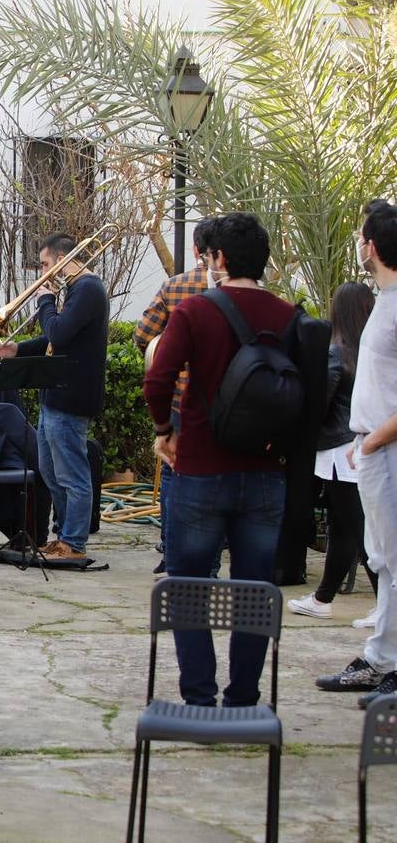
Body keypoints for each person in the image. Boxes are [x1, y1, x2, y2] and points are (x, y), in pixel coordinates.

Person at [144, 211, 296, 708]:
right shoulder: (288, 315)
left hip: (201, 467)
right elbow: (309, 395)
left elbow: (157, 378)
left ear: (220, 258)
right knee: (254, 590)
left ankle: (198, 694)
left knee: (189, 584)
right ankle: (245, 697)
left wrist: (165, 432)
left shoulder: (197, 311)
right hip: (266, 471)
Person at [316, 201, 397, 706]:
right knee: (383, 560)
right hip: (370, 447)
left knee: (393, 558)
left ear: (373, 244)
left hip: (384, 448)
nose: (358, 243)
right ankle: (381, 658)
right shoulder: (382, 300)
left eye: (361, 235)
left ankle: (389, 664)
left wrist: (372, 439)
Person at [0, 232, 109, 560]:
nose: (44, 271)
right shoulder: (76, 289)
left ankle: (74, 542)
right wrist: (16, 349)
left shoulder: (88, 288)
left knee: (72, 474)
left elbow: (58, 330)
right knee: (50, 470)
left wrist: (44, 300)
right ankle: (63, 536)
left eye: (46, 264)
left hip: (71, 396)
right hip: (55, 394)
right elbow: (55, 339)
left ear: (61, 259)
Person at [135, 216, 222, 575]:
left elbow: (143, 335)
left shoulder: (175, 287)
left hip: (180, 398)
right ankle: (210, 562)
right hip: (228, 403)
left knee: (173, 477)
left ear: (197, 250)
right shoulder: (246, 293)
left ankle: (172, 554)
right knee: (217, 479)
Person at [288, 282, 377, 620]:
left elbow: (319, 403)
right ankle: (323, 599)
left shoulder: (336, 352)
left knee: (356, 526)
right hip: (360, 443)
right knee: (344, 526)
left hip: (341, 450)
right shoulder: (368, 350)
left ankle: (386, 605)